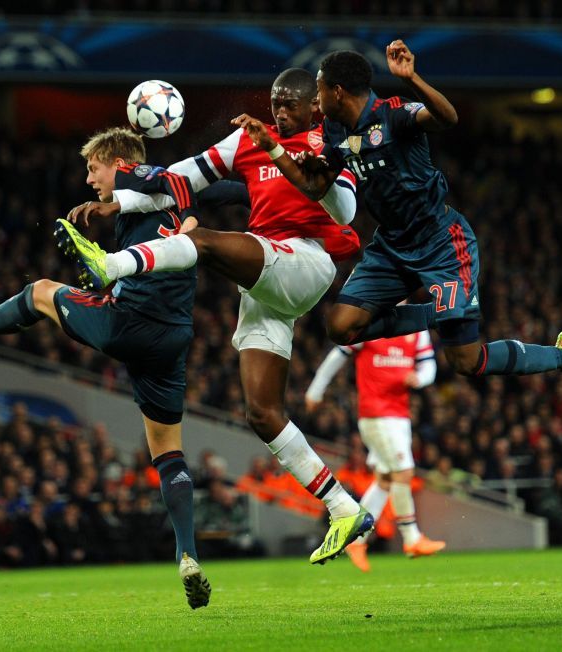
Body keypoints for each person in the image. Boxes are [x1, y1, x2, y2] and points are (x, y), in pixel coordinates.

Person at [59, 68, 375, 565]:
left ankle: (111, 267)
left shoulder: (332, 141)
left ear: (313, 106)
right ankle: (342, 508)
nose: (279, 112)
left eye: (289, 104)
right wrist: (118, 202)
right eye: (274, 103)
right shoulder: (248, 141)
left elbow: (346, 213)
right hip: (269, 270)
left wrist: (306, 162)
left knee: (201, 241)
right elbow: (180, 180)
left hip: (309, 260)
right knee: (262, 412)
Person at [0, 127, 213, 609]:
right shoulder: (150, 202)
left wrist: (179, 205)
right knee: (168, 452)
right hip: (172, 337)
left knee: (41, 290)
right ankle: (187, 555)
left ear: (116, 160)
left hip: (127, 323)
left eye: (93, 168)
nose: (90, 180)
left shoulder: (137, 173)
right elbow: (197, 185)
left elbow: (162, 177)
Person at [233, 41, 562, 388]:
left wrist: (412, 79)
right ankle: (435, 313)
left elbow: (447, 117)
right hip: (392, 246)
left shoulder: (393, 113)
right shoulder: (334, 128)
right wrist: (271, 148)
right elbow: (315, 187)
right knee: (340, 327)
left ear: (338, 91)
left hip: (440, 241)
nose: (316, 98)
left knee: (465, 361)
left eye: (320, 89)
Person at [305, 329, 445, 572]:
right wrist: (315, 391)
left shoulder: (417, 329)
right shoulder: (370, 327)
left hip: (400, 415)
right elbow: (337, 355)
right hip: (376, 414)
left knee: (385, 480)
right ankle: (412, 538)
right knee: (404, 472)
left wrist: (420, 379)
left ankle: (356, 541)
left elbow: (428, 365)